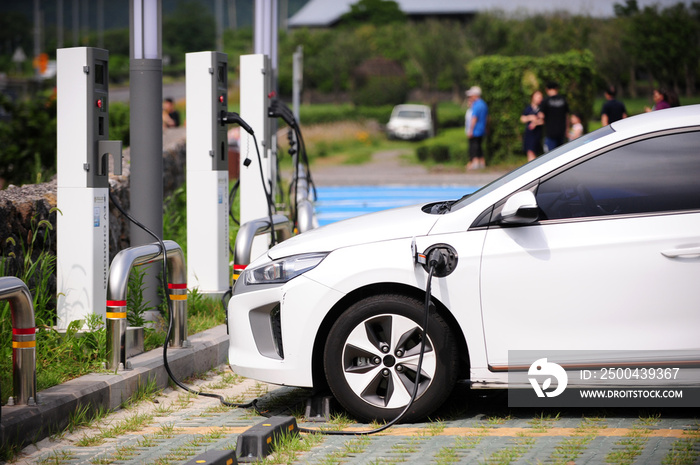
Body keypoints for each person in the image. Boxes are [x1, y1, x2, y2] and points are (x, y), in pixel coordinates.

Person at [539, 82, 569, 152]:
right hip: (561, 132)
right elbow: (567, 116)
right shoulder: (563, 100)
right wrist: (567, 129)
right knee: (561, 153)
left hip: (550, 133)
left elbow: (541, 116)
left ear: (547, 89)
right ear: (557, 89)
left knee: (551, 155)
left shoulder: (545, 101)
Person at [465, 86, 488, 170]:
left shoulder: (476, 105)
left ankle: (474, 163)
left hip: (475, 130)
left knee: (474, 147)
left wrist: (470, 130)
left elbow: (474, 118)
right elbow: (487, 118)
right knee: (479, 146)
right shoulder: (484, 104)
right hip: (482, 129)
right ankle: (482, 163)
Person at [520, 90, 544, 162]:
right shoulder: (528, 108)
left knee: (535, 153)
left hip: (538, 134)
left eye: (541, 97)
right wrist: (530, 117)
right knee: (530, 153)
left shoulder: (541, 109)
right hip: (530, 134)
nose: (540, 99)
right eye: (538, 97)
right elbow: (522, 119)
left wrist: (535, 122)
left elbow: (543, 120)